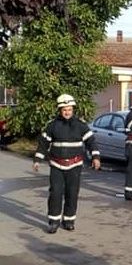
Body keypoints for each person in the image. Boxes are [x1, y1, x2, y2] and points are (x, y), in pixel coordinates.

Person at [33, 94, 101, 233]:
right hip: (56, 165)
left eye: (69, 109)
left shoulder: (80, 125)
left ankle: (69, 221)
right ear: (60, 110)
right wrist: (37, 160)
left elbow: (91, 142)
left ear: (73, 109)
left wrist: (95, 157)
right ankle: (54, 221)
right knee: (55, 193)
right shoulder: (52, 125)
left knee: (72, 193)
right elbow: (43, 144)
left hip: (75, 165)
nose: (67, 112)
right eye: (64, 110)